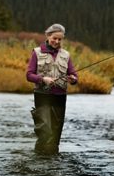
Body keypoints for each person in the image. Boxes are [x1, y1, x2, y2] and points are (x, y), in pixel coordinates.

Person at [25, 23, 78, 154]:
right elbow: (29, 75)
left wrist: (73, 79)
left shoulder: (66, 55)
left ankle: (53, 163)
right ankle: (39, 159)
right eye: (55, 38)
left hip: (60, 97)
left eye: (60, 39)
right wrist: (43, 79)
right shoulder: (37, 52)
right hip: (42, 96)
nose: (57, 41)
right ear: (48, 36)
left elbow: (74, 75)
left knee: (55, 134)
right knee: (45, 131)